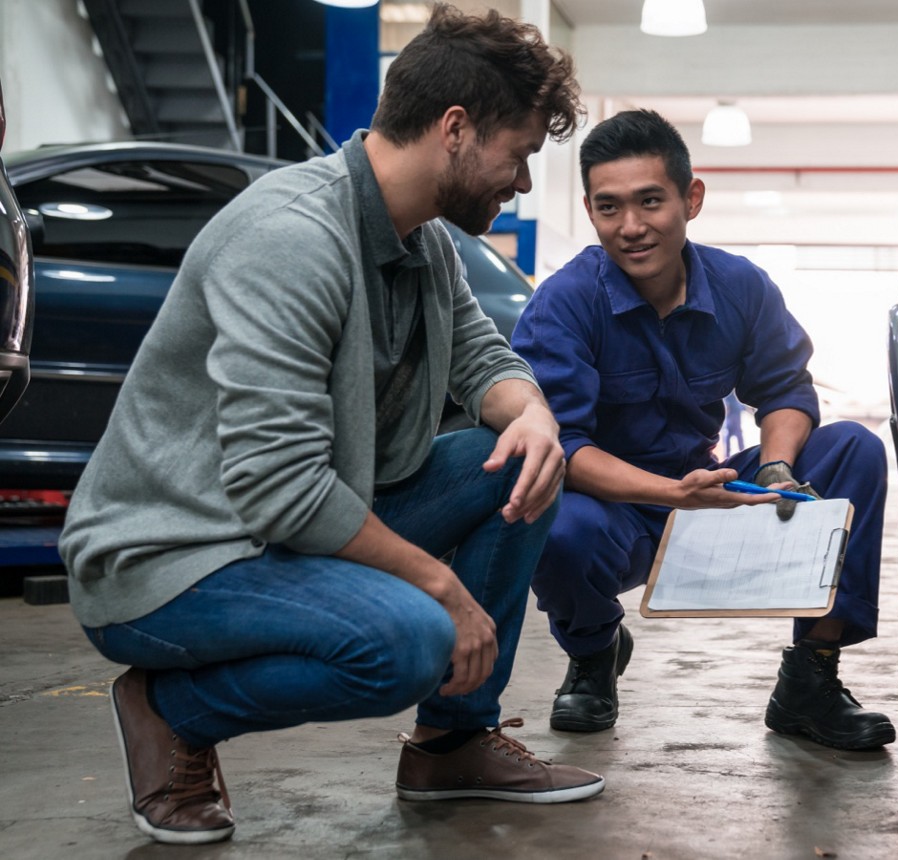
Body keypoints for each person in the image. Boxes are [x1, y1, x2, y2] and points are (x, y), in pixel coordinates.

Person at [58, 4, 601, 846]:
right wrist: (444, 587)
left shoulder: (424, 243)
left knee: (521, 467)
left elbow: (483, 360)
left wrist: (532, 415)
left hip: (281, 530)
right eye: (520, 155)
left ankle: (451, 743)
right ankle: (168, 707)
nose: (523, 182)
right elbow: (280, 488)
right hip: (171, 557)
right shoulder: (292, 236)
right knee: (411, 639)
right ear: (455, 129)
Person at [510, 110, 895, 751]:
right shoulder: (565, 302)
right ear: (589, 210)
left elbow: (783, 390)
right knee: (555, 522)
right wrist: (672, 496)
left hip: (707, 489)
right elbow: (562, 446)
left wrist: (773, 466)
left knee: (853, 449)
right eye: (609, 208)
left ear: (691, 199)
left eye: (650, 202)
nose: (630, 227)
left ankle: (811, 681)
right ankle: (594, 651)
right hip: (615, 506)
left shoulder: (739, 285)